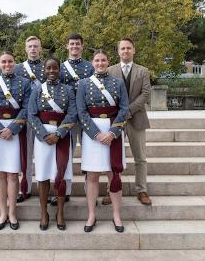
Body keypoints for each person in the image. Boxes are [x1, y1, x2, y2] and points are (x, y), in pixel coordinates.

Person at [76, 50, 128, 233]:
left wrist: (113, 132)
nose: (100, 63)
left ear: (108, 62)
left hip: (113, 131)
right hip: (93, 135)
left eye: (103, 60)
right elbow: (81, 112)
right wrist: (96, 134)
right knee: (92, 175)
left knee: (113, 174)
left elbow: (124, 109)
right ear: (92, 63)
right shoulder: (83, 84)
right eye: (97, 60)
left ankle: (116, 214)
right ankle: (91, 214)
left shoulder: (118, 83)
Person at [0, 51, 31, 230]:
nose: (7, 65)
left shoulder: (24, 83)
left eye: (10, 61)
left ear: (14, 63)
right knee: (0, 174)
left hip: (15, 130)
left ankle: (12, 213)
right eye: (3, 62)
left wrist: (12, 129)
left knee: (12, 174)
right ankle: (2, 212)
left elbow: (27, 108)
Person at [28, 57, 77, 231]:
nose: (51, 71)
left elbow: (72, 113)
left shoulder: (68, 90)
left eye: (55, 68)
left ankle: (60, 212)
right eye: (48, 68)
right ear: (44, 69)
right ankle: (44, 213)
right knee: (42, 175)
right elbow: (32, 114)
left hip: (61, 136)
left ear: (59, 69)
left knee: (61, 174)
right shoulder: (37, 90)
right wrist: (43, 134)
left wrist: (59, 133)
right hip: (42, 138)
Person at [106, 37, 152, 206]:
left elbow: (146, 94)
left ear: (134, 50)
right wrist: (120, 113)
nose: (125, 51)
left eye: (128, 48)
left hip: (136, 118)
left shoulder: (143, 71)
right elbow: (108, 95)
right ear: (118, 51)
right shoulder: (110, 71)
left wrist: (129, 110)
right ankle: (111, 190)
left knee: (140, 157)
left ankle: (142, 190)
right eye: (122, 48)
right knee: (112, 157)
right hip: (115, 120)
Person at [52, 33, 94, 206]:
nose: (75, 47)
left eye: (77, 44)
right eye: (72, 44)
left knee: (90, 154)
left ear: (82, 46)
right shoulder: (60, 68)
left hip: (86, 116)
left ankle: (89, 191)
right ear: (67, 46)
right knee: (65, 155)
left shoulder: (90, 67)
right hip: (67, 116)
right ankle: (65, 190)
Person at [14, 36, 46, 203]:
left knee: (43, 155)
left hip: (43, 118)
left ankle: (44, 188)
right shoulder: (18, 68)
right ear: (25, 49)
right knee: (25, 155)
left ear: (40, 49)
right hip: (25, 118)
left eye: (36, 46)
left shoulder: (48, 67)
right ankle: (23, 188)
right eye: (30, 46)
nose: (33, 49)